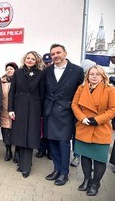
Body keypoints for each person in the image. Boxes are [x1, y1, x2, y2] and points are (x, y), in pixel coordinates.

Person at [43, 43, 84, 186]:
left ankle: (64, 173)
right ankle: (56, 169)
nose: (55, 56)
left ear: (65, 53)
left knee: (64, 142)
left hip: (66, 111)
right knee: (52, 141)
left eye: (58, 52)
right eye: (53, 54)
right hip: (50, 110)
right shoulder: (47, 71)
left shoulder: (77, 71)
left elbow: (81, 93)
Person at [71, 65, 115, 196]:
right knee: (85, 157)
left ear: (103, 76)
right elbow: (74, 104)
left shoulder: (110, 89)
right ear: (87, 76)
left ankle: (95, 183)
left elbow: (112, 109)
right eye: (92, 74)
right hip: (84, 126)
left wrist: (96, 120)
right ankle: (86, 180)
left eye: (97, 74)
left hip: (100, 128)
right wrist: (82, 117)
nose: (94, 76)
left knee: (100, 159)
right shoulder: (81, 88)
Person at [8, 51, 45, 178]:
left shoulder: (40, 74)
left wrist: (41, 112)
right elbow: (12, 91)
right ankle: (21, 163)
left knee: (29, 137)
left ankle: (26, 167)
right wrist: (10, 109)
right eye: (28, 58)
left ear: (36, 61)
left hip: (33, 108)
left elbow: (42, 94)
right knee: (20, 136)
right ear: (24, 59)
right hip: (19, 108)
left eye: (32, 59)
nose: (29, 60)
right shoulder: (17, 73)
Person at [70, 59, 97, 167]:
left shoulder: (99, 83)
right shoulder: (80, 83)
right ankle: (77, 156)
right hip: (78, 114)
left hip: (93, 116)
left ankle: (91, 159)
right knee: (76, 135)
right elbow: (74, 100)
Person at [1, 62, 18, 161]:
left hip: (16, 110)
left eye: (11, 69)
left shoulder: (19, 81)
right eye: (7, 69)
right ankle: (8, 150)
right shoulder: (1, 81)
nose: (9, 70)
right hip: (4, 110)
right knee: (5, 131)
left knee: (16, 131)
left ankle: (17, 151)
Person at [36, 53, 52, 160]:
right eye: (46, 62)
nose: (48, 64)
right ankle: (41, 149)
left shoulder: (55, 72)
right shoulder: (41, 73)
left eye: (49, 62)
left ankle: (50, 151)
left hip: (52, 104)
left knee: (50, 128)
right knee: (41, 127)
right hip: (42, 103)